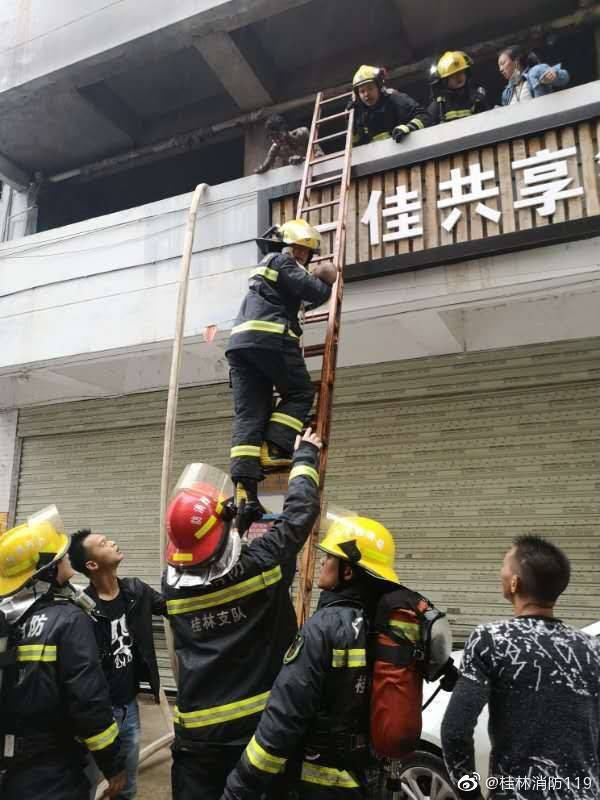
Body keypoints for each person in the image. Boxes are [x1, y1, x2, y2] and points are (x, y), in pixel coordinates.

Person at [163, 428, 322, 800]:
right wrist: (305, 458)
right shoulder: (263, 566)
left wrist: (237, 523)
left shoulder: (172, 583)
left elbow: (213, 562)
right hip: (256, 733)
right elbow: (300, 512)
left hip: (197, 739)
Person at [220, 514, 401, 800]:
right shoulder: (388, 625)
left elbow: (282, 721)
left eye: (329, 557)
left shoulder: (324, 627)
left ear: (348, 572)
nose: (321, 562)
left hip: (322, 786)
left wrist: (239, 788)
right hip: (370, 779)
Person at [441, 535, 600, 800]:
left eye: (504, 567)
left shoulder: (491, 639)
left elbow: (455, 732)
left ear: (514, 583)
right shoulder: (591, 647)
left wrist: (470, 794)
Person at [0, 506, 125, 800]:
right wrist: (113, 764)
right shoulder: (67, 620)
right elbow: (89, 702)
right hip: (53, 769)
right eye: (61, 556)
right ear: (48, 570)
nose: (67, 556)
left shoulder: (7, 620)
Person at [227, 219, 335, 532]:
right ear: (286, 245)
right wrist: (327, 278)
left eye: (307, 252)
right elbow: (315, 290)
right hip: (270, 339)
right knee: (300, 392)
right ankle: (275, 447)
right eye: (299, 248)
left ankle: (244, 495)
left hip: (242, 346)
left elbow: (304, 296)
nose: (302, 255)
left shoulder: (269, 268)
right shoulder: (280, 261)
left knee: (251, 415)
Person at [68, 529, 167, 800]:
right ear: (91, 564)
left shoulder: (136, 591)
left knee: (127, 785)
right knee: (85, 786)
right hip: (96, 714)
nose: (112, 542)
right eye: (103, 543)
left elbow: (174, 607)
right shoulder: (80, 610)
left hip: (128, 708)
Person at [351, 64, 430, 146]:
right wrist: (353, 124)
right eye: (362, 91)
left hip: (407, 147)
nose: (366, 94)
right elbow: (357, 142)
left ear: (379, 87)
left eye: (370, 88)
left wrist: (409, 127)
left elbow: (424, 116)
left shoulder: (395, 99)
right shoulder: (361, 113)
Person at [427, 51, 487, 125]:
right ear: (444, 81)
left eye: (461, 72)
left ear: (467, 73)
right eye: (453, 75)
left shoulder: (476, 99)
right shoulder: (439, 105)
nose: (458, 77)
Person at [499, 46, 569, 105]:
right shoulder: (506, 93)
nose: (500, 69)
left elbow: (565, 77)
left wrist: (554, 75)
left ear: (516, 61)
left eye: (503, 63)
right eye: (499, 66)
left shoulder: (535, 72)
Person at [255, 114, 323, 174]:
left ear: (285, 130)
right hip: (301, 177)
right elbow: (265, 167)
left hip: (318, 170)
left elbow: (320, 154)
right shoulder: (275, 149)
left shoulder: (302, 134)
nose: (277, 141)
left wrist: (302, 160)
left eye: (278, 136)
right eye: (273, 138)